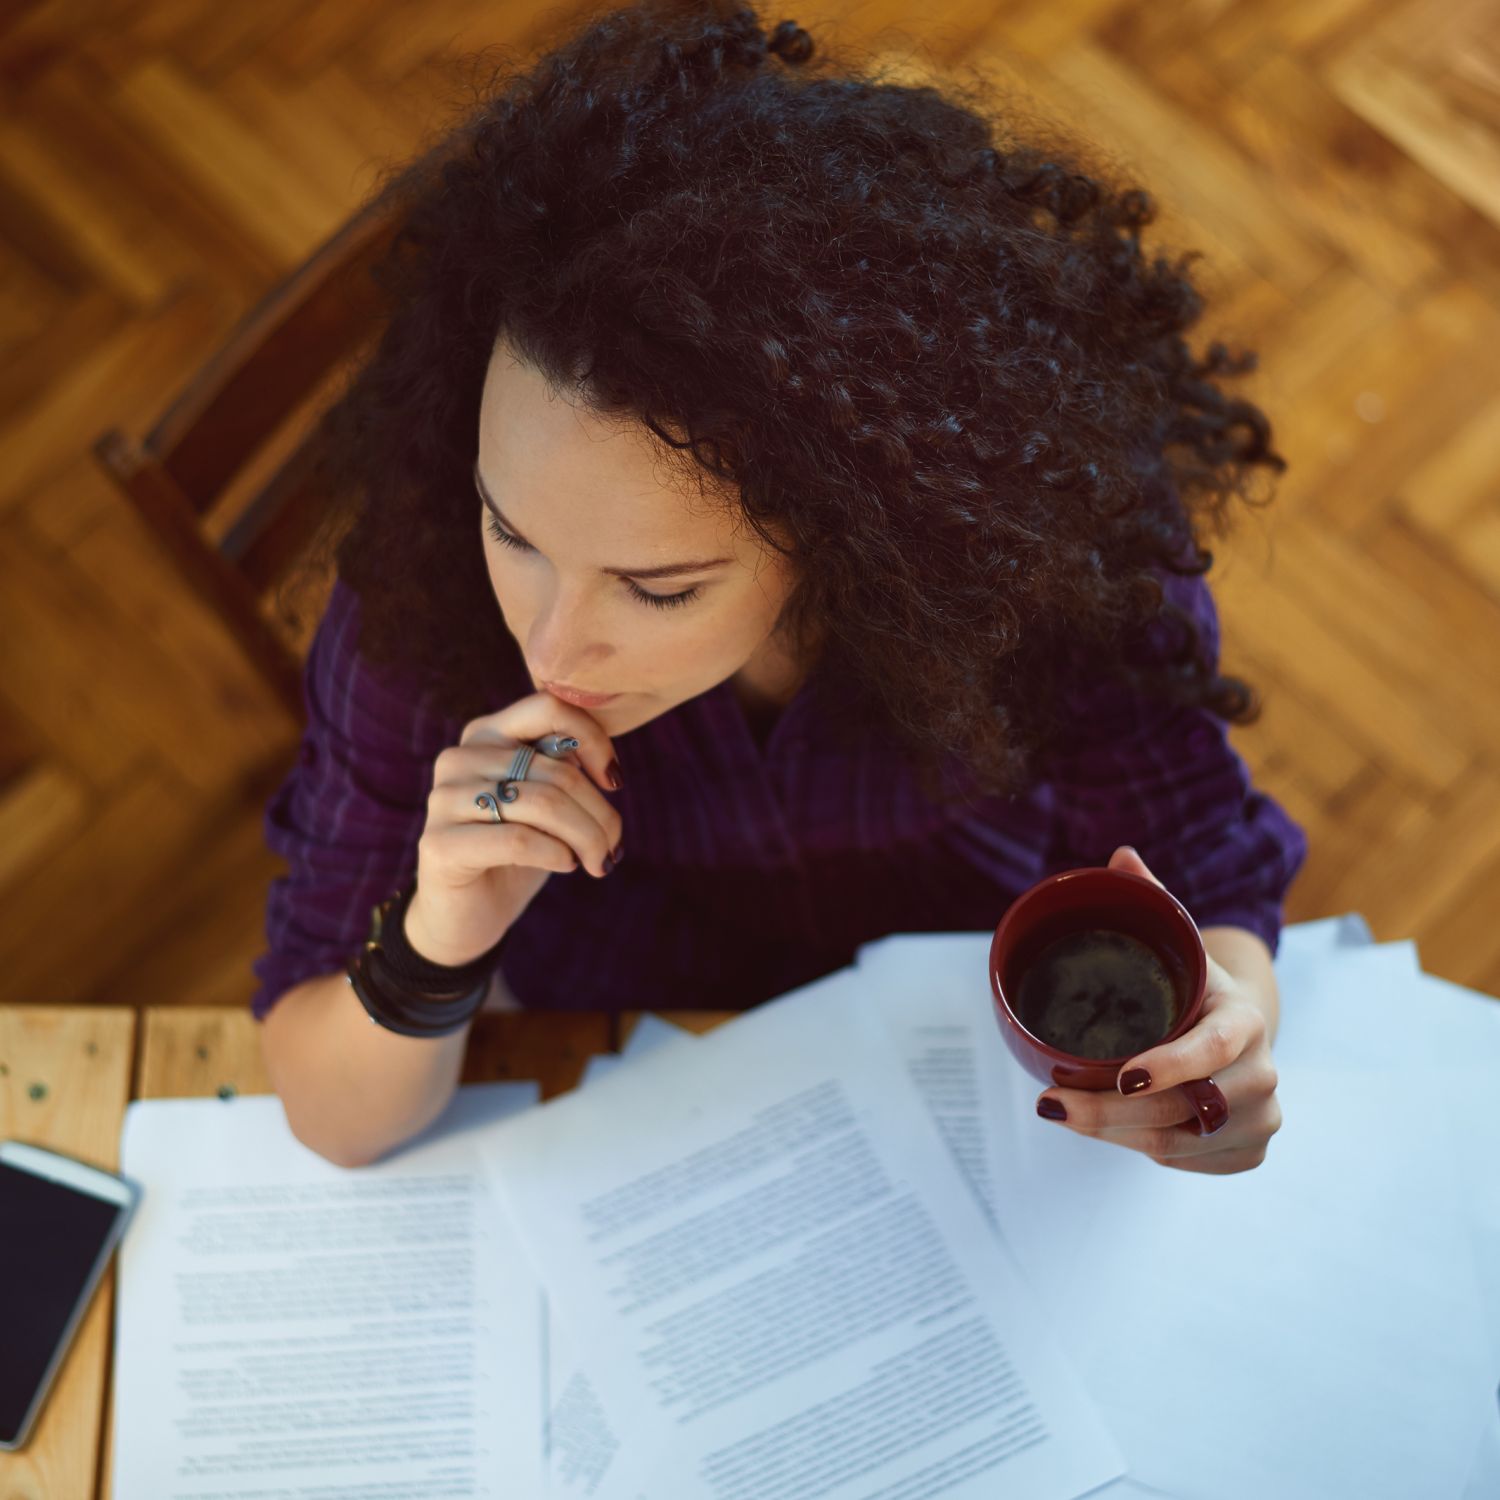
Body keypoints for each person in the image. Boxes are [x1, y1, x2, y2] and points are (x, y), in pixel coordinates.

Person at [253, 0, 1308, 1172]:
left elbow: (1203, 857)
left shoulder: (1051, 562)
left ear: (849, 525)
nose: (550, 651)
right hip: (627, 1066)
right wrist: (439, 939)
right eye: (513, 529)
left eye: (658, 590)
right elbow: (330, 1112)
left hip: (960, 1032)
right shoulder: (424, 601)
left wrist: (1225, 1041)